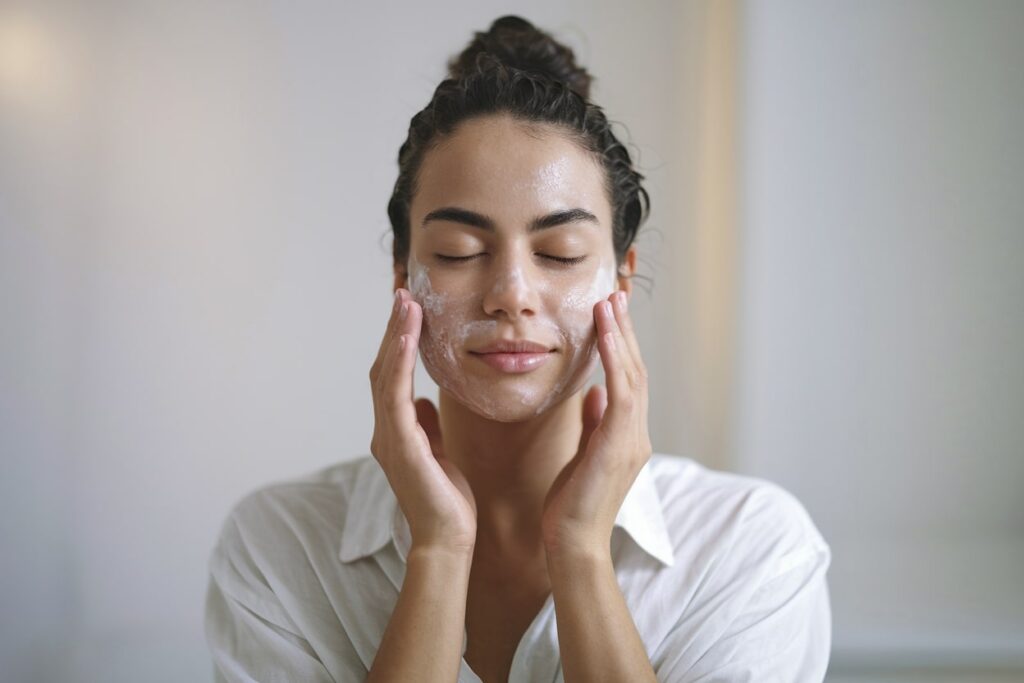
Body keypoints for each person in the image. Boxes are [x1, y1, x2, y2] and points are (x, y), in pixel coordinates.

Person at [204, 15, 832, 683]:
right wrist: (439, 553)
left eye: (560, 253)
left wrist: (583, 554)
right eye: (458, 252)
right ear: (403, 271)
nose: (511, 294)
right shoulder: (278, 546)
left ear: (622, 276)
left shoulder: (749, 546)